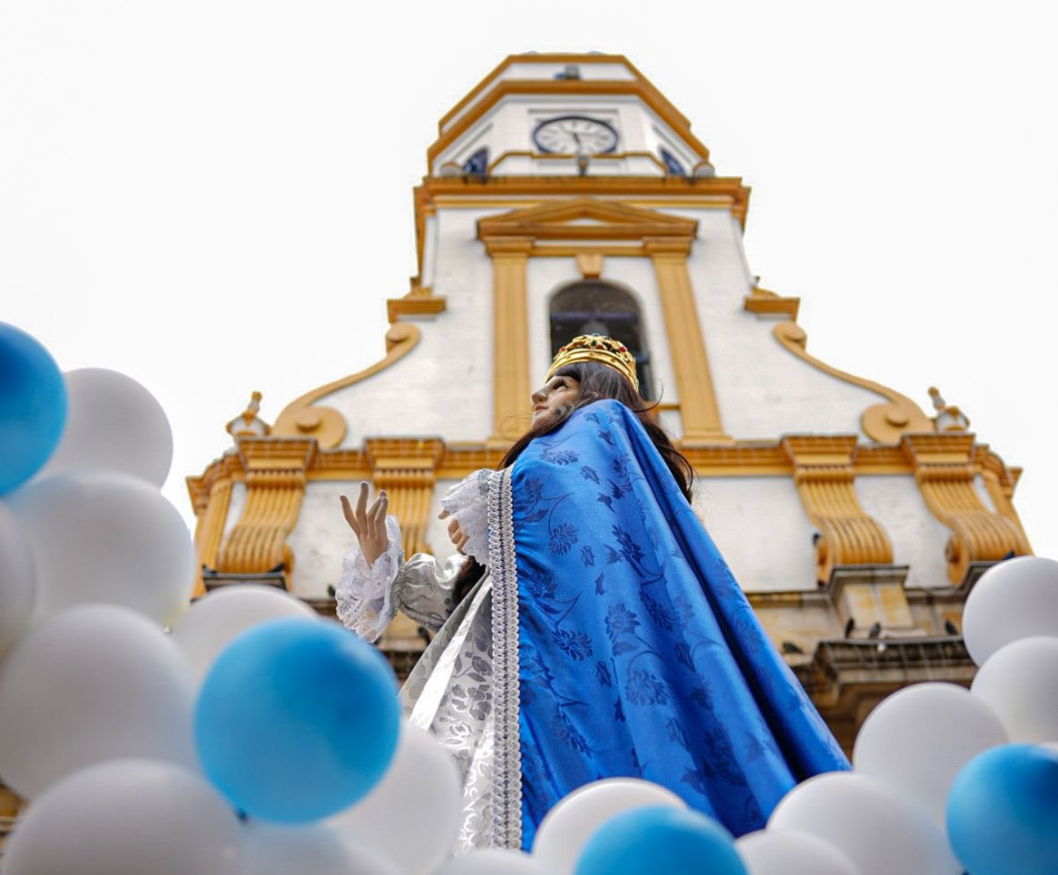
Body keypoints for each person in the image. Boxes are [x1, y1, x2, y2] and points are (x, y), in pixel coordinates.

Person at [336, 334, 849, 854]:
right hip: (495, 683)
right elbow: (466, 605)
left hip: (560, 680)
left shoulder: (602, 425)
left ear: (597, 391)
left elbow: (569, 512)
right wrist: (385, 564)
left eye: (559, 384)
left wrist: (500, 506)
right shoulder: (533, 490)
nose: (538, 396)